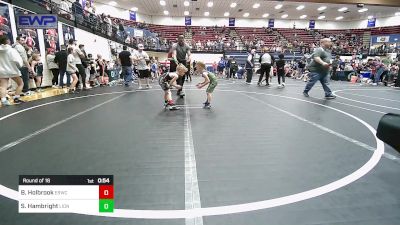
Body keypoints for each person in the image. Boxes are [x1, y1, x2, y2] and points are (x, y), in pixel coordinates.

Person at [0, 35, 25, 106]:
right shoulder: (12, 50)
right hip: (12, 70)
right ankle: (16, 98)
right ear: (7, 41)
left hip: (2, 71)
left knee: (3, 86)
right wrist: (20, 65)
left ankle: (4, 101)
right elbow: (18, 61)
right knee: (20, 83)